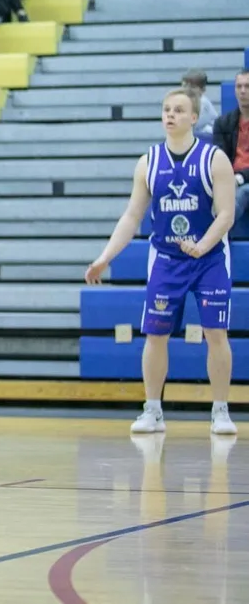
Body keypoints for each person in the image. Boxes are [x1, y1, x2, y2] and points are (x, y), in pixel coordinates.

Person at [86, 90, 236, 437]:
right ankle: (152, 410)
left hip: (209, 258)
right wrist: (105, 257)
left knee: (216, 333)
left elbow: (226, 214)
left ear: (194, 118)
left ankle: (220, 410)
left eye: (179, 110)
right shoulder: (148, 162)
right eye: (166, 109)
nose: (171, 115)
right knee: (155, 335)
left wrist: (201, 246)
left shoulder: (214, 159)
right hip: (167, 259)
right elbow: (132, 216)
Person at [212, 70, 249, 232]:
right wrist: (227, 178)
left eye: (247, 86)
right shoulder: (223, 123)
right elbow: (219, 157)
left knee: (243, 192)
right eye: (239, 86)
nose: (242, 91)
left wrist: (239, 178)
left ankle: (217, 230)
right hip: (229, 178)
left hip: (243, 182)